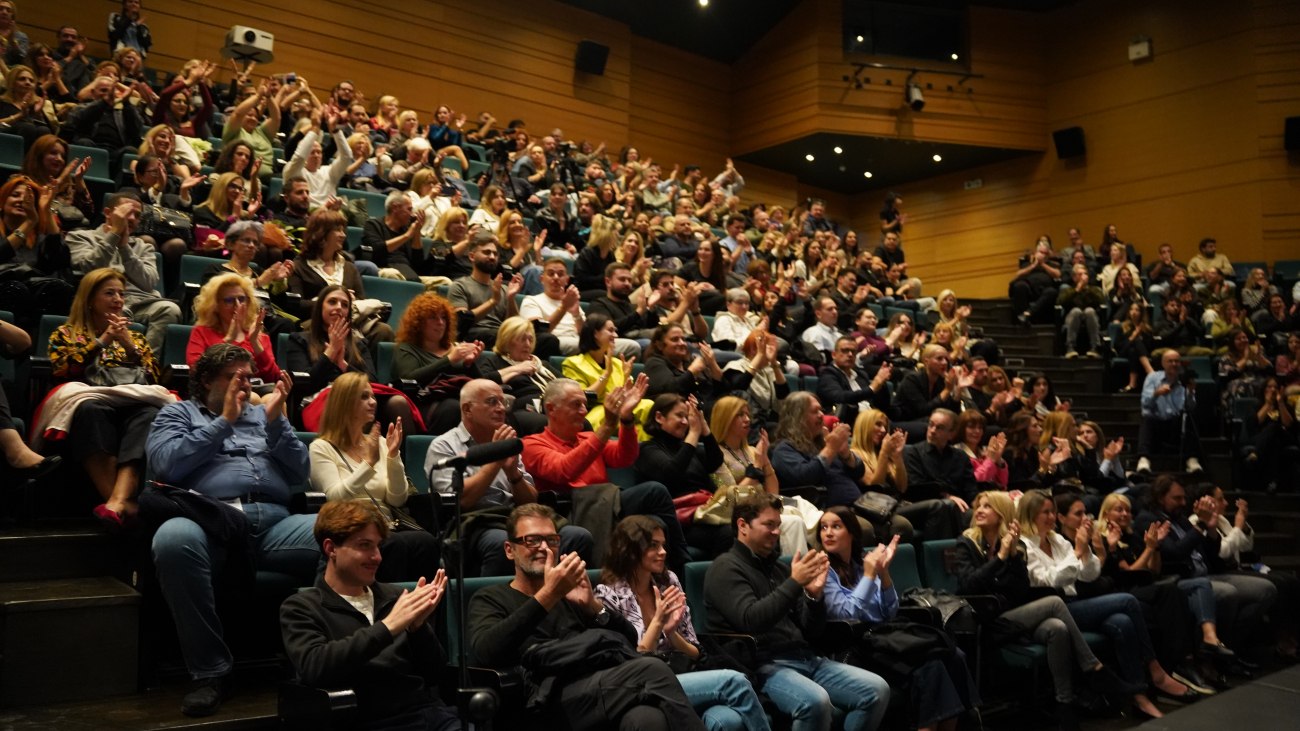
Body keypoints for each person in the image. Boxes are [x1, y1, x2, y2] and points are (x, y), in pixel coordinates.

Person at [146, 343, 316, 717]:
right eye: (232, 377)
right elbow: (167, 466)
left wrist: (275, 422)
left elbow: (300, 472)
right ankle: (210, 672)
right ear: (206, 379)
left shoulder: (264, 414)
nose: (244, 385)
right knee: (172, 540)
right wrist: (223, 422)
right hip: (210, 522)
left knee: (347, 531)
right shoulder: (177, 414)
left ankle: (320, 660)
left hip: (275, 522)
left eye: (248, 378)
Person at [469, 503, 707, 730]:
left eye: (551, 540)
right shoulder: (490, 597)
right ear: (510, 550)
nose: (544, 547)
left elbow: (629, 638)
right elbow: (484, 652)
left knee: (647, 718)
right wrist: (548, 595)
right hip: (541, 701)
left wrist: (593, 606)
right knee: (652, 670)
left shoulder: (570, 595)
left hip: (594, 689)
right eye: (532, 540)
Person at [704, 493, 891, 731]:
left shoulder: (779, 568)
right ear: (742, 525)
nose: (776, 532)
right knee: (815, 701)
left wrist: (814, 597)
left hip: (806, 657)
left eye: (778, 526)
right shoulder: (724, 568)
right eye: (768, 525)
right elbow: (750, 620)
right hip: (763, 665)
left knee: (876, 690)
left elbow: (812, 630)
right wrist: (794, 583)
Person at [949, 491, 1132, 731]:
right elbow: (969, 585)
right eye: (979, 506)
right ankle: (1093, 667)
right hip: (987, 619)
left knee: (1057, 628)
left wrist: (1012, 556)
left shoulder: (1016, 544)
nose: (979, 510)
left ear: (1002, 513)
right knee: (1055, 603)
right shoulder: (966, 543)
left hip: (1017, 613)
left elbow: (1019, 589)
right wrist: (1001, 557)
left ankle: (1064, 706)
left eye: (987, 506)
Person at [280, 501, 460, 730]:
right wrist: (389, 627)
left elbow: (435, 673)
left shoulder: (396, 597)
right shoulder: (302, 607)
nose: (377, 557)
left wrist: (418, 628)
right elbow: (315, 667)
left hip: (427, 716)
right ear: (330, 548)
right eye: (365, 545)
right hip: (367, 721)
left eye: (378, 546)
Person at [1018, 490, 1193, 719]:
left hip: (1074, 602)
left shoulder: (1057, 540)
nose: (1051, 516)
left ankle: (1139, 697)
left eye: (1053, 511)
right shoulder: (1025, 546)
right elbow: (1049, 581)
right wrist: (1078, 552)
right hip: (1052, 610)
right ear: (1030, 514)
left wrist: (1089, 549)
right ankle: (1155, 670)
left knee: (1121, 622)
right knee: (1128, 601)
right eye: (1046, 512)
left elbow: (1088, 574)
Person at [595, 515, 771, 730]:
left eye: (663, 545)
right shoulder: (609, 596)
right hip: (645, 685)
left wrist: (671, 634)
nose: (663, 552)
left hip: (682, 674)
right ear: (630, 549)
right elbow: (633, 664)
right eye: (653, 546)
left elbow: (696, 653)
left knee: (725, 720)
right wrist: (658, 622)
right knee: (735, 682)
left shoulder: (668, 581)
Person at [817, 507, 979, 731]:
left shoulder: (862, 563)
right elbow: (847, 615)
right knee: (931, 668)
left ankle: (967, 720)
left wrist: (883, 573)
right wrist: (870, 575)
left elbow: (890, 610)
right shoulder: (824, 571)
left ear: (852, 532)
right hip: (852, 647)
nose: (828, 533)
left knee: (953, 655)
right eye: (824, 528)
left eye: (836, 526)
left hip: (883, 638)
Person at [522, 376, 690, 574]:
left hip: (608, 505)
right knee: (655, 491)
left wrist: (626, 419)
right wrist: (607, 426)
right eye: (576, 405)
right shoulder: (532, 443)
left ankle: (663, 582)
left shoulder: (588, 437)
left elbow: (625, 457)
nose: (584, 412)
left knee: (656, 522)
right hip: (573, 511)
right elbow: (563, 470)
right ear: (551, 409)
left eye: (585, 405)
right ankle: (684, 567)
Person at [427, 379, 592, 576]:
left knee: (578, 536)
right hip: (472, 523)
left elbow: (530, 501)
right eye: (492, 402)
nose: (501, 409)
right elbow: (462, 500)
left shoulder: (507, 444)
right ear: (467, 409)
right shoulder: (444, 446)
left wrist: (514, 475)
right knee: (501, 543)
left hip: (514, 517)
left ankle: (561, 601)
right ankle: (494, 603)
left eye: (502, 402)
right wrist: (496, 460)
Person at [46, 268, 169, 527]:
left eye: (121, 294)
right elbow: (63, 369)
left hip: (131, 401)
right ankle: (122, 504)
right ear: (90, 299)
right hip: (87, 399)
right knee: (92, 410)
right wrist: (102, 341)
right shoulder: (65, 333)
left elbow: (155, 376)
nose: (118, 299)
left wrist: (128, 346)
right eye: (109, 293)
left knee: (149, 414)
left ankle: (115, 504)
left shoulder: (134, 336)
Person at [310, 371, 440, 582]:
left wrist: (392, 455)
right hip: (350, 527)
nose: (372, 402)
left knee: (425, 542)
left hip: (387, 525)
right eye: (364, 397)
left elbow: (397, 499)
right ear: (344, 403)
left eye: (372, 396)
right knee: (397, 546)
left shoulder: (377, 442)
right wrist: (368, 463)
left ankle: (425, 609)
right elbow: (334, 497)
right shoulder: (321, 447)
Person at [1135, 475, 1278, 666]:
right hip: (1182, 579)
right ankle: (1214, 652)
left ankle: (1230, 646)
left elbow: (1212, 554)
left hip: (1209, 572)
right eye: (1177, 498)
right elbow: (1175, 553)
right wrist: (1200, 525)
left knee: (1266, 589)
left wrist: (1210, 530)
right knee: (1228, 593)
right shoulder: (1149, 519)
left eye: (1183, 498)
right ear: (1161, 497)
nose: (1183, 502)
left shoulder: (1180, 518)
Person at [67, 191, 182, 352]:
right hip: (104, 302)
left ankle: (145, 366)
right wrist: (113, 235)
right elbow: (88, 268)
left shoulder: (144, 246)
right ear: (108, 213)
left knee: (170, 309)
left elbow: (149, 282)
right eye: (127, 212)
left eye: (137, 215)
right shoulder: (81, 237)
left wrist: (124, 247)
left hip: (142, 304)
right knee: (116, 307)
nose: (132, 219)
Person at [707, 396, 810, 557]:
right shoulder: (717, 455)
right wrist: (756, 467)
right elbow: (732, 496)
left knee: (808, 514)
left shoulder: (752, 450)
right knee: (795, 522)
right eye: (740, 415)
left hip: (766, 507)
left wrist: (765, 460)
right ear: (725, 419)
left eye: (748, 415)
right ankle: (797, 575)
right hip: (744, 513)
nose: (747, 419)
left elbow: (773, 491)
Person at [855, 408, 961, 541]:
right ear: (864, 426)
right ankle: (937, 557)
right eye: (878, 424)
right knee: (938, 506)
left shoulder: (883, 454)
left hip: (897, 505)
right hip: (878, 510)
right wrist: (884, 453)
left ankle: (950, 556)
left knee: (949, 507)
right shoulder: (855, 455)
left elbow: (902, 487)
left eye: (885, 426)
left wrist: (898, 458)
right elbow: (875, 486)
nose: (883, 430)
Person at [392, 292, 483, 433]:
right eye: (433, 318)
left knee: (494, 406)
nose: (440, 323)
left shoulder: (454, 348)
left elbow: (480, 383)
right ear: (418, 322)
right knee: (454, 408)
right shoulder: (407, 348)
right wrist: (448, 360)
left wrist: (469, 364)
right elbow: (408, 378)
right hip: (425, 402)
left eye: (443, 318)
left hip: (460, 397)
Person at [562, 313, 652, 430]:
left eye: (615, 330)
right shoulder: (573, 363)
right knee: (599, 419)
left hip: (623, 406)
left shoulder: (618, 363)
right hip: (600, 410)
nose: (615, 335)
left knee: (649, 405)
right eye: (610, 330)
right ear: (595, 333)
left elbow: (626, 395)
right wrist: (607, 373)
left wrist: (626, 380)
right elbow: (582, 399)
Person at [186, 273, 279, 383]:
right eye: (229, 300)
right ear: (215, 305)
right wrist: (228, 339)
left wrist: (255, 342)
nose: (237, 305)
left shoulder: (259, 336)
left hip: (257, 390)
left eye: (241, 299)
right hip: (218, 392)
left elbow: (274, 378)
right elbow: (197, 371)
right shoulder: (201, 332)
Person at [476, 316, 553, 436]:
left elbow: (565, 383)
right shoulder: (494, 361)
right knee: (543, 422)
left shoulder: (542, 364)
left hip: (550, 408)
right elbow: (481, 384)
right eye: (522, 339)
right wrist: (517, 369)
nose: (528, 344)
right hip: (517, 411)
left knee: (583, 423)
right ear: (507, 340)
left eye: (530, 339)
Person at [446, 230, 524, 347]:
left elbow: (515, 324)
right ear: (472, 256)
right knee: (501, 335)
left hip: (500, 334)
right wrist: (492, 301)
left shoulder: (503, 288)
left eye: (495, 254)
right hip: (472, 336)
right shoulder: (459, 286)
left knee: (545, 340)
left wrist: (511, 298)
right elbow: (461, 322)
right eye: (487, 252)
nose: (492, 257)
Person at [901, 408, 977, 525]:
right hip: (924, 506)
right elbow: (916, 488)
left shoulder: (960, 456)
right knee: (946, 507)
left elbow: (971, 490)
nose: (932, 430)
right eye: (931, 425)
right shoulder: (913, 452)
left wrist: (984, 503)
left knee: (986, 512)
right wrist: (947, 497)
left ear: (951, 434)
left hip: (958, 507)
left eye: (939, 428)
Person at [1136, 350, 1203, 475]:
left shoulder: (1184, 380)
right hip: (1157, 423)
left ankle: (1192, 460)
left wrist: (1190, 392)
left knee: (1189, 418)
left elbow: (1190, 407)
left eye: (1176, 361)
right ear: (1163, 364)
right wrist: (1156, 394)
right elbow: (1145, 404)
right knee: (1147, 418)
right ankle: (1144, 459)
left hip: (1175, 426)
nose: (1174, 364)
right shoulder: (1153, 378)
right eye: (1170, 361)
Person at [817, 336, 891, 425]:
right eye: (845, 350)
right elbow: (839, 398)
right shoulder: (828, 374)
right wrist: (872, 388)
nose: (850, 354)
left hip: (874, 421)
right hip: (851, 423)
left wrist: (881, 384)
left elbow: (882, 405)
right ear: (834, 355)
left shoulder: (861, 374)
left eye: (853, 351)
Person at [643, 323, 723, 402]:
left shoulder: (689, 362)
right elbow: (670, 390)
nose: (682, 343)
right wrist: (693, 371)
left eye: (683, 339)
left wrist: (712, 363)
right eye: (675, 339)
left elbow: (721, 389)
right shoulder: (654, 363)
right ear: (659, 345)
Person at [1009, 239, 1062, 325]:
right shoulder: (1028, 263)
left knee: (1052, 292)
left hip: (1045, 291)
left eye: (1045, 253)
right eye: (1041, 252)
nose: (1043, 255)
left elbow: (1057, 274)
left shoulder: (1052, 264)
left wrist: (1043, 264)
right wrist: (1033, 265)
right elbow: (1018, 274)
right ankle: (1022, 317)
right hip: (1029, 290)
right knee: (1019, 286)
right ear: (1035, 253)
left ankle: (1028, 314)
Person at [1057, 264, 1103, 358]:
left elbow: (1101, 301)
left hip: (1090, 317)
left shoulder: (1094, 289)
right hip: (1072, 317)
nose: (1083, 276)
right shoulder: (1068, 290)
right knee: (1076, 311)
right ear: (1074, 277)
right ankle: (1070, 348)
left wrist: (1087, 290)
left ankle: (1095, 348)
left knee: (1089, 311)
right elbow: (1060, 302)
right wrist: (1077, 289)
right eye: (1080, 274)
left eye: (1085, 274)